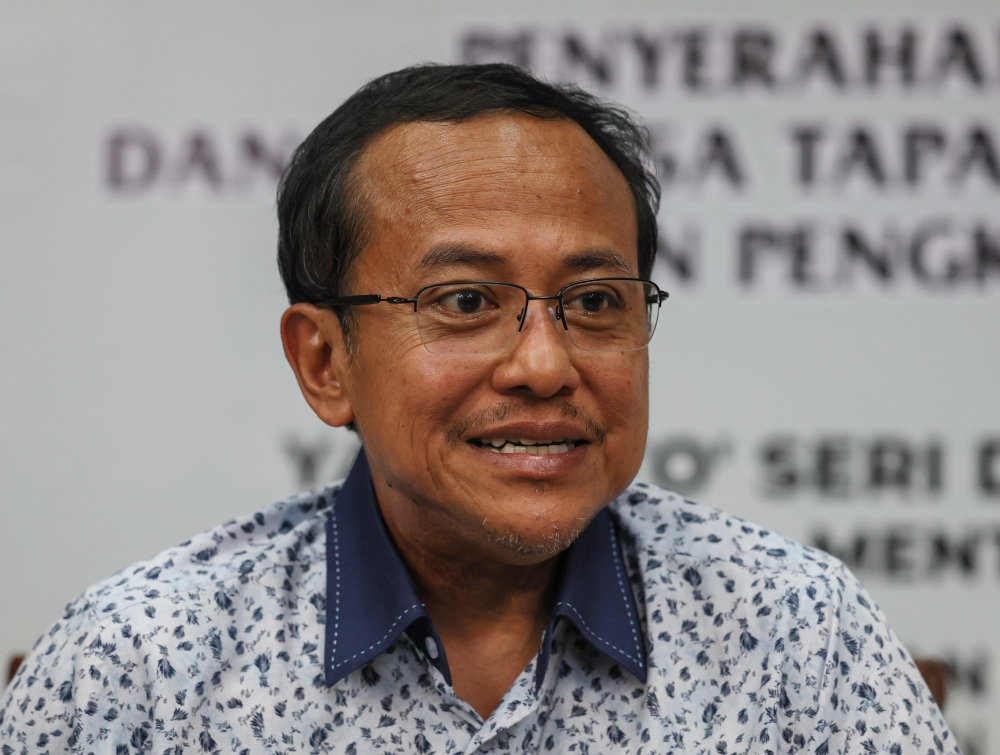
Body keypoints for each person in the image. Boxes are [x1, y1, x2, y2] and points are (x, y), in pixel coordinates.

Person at [0, 64, 956, 755]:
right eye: (463, 302)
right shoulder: (138, 666)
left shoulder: (799, 632)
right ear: (325, 360)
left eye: (593, 303)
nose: (545, 365)